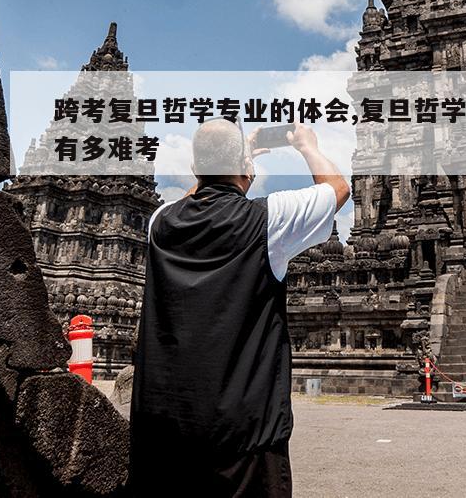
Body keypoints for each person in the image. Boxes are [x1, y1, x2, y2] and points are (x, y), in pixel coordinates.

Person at [129, 119, 350, 497]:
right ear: (247, 170)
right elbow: (338, 188)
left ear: (196, 170)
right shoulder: (268, 221)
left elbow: (189, 197)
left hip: (162, 436)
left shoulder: (159, 223)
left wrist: (231, 157)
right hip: (243, 437)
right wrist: (307, 146)